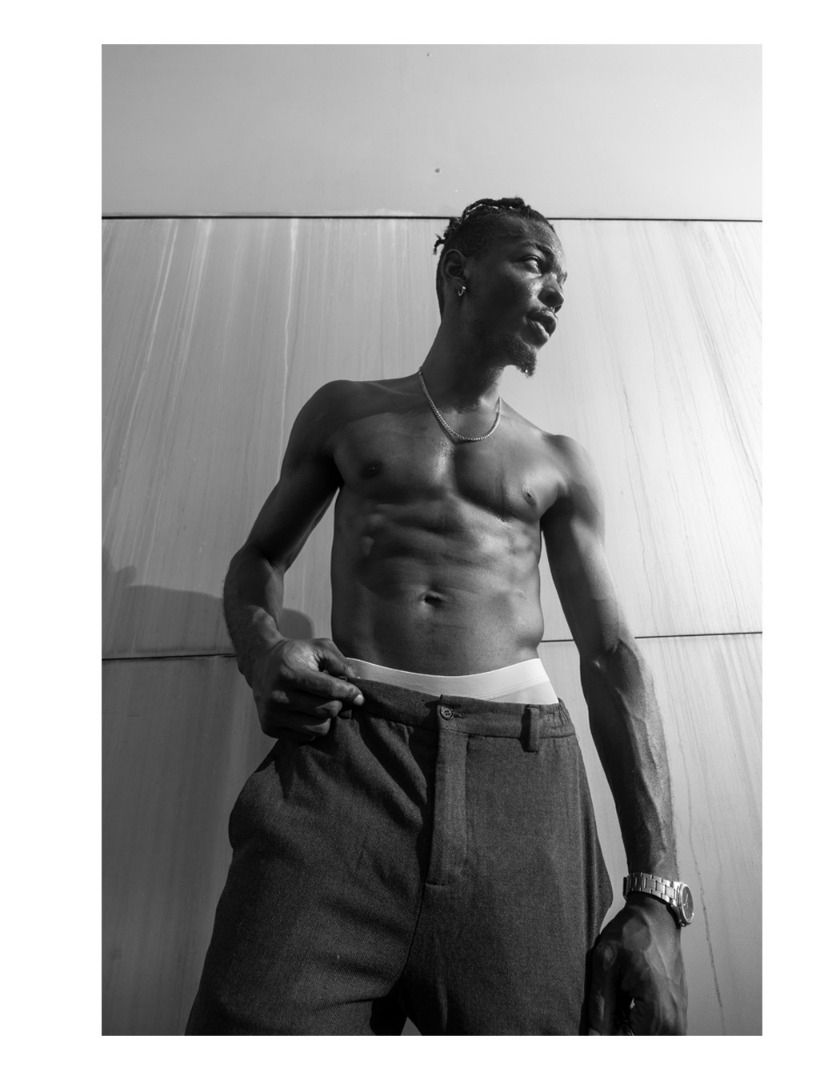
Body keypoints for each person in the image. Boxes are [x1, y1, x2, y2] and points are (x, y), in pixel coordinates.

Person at [186, 196, 690, 1036]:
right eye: (535, 263)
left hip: (517, 778)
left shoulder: (558, 461)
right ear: (459, 272)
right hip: (348, 762)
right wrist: (265, 651)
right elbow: (257, 563)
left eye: (563, 279)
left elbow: (612, 656)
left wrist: (659, 893)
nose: (557, 291)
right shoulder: (346, 413)